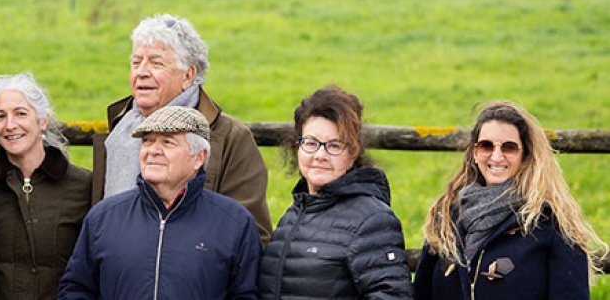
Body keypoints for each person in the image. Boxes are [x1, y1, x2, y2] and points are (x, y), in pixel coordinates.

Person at [92, 13, 272, 243]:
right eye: (136, 63)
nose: (142, 72)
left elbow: (252, 233)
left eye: (156, 63)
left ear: (188, 76)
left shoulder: (230, 137)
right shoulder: (120, 131)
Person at [59, 105, 261, 300]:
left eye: (168, 142)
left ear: (199, 157)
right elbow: (76, 289)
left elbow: (246, 294)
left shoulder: (234, 222)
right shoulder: (103, 217)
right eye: (147, 141)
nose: (153, 151)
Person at [413, 101, 607, 299]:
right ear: (475, 153)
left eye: (509, 148)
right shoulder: (446, 219)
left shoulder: (552, 225)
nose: (497, 157)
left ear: (525, 155)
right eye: (487, 146)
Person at [258, 85, 413, 300]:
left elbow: (392, 296)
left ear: (352, 154)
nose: (320, 155)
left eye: (334, 145)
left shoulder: (372, 220)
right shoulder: (293, 216)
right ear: (298, 148)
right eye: (311, 143)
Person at [0, 72, 92, 300]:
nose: (10, 125)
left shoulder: (83, 186)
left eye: (20, 113)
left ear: (43, 120)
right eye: (0, 116)